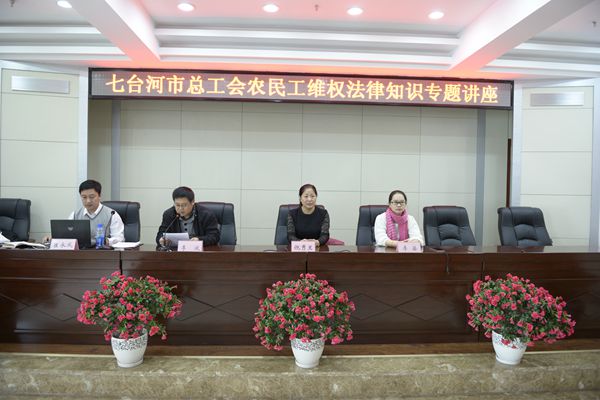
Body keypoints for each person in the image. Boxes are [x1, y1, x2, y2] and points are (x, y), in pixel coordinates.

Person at [43, 179, 125, 246]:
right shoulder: (75, 214)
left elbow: (120, 239)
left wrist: (106, 241)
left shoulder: (112, 214)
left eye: (92, 197)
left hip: (103, 254)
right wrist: (52, 238)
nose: (88, 201)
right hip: (80, 253)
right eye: (84, 197)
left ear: (99, 196)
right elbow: (65, 234)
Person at [156, 186, 220, 246]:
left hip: (200, 250)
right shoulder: (169, 214)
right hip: (177, 251)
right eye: (177, 205)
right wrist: (161, 240)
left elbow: (215, 236)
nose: (180, 208)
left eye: (184, 205)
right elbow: (161, 234)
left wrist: (199, 240)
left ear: (192, 202)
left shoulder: (206, 214)